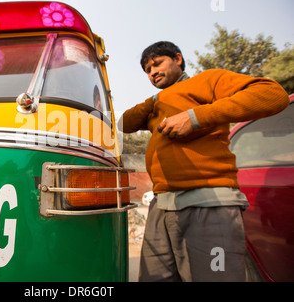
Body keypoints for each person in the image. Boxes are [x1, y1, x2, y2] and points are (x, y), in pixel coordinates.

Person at [119, 41, 290, 282]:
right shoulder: (157, 103)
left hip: (209, 202)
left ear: (178, 59)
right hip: (162, 206)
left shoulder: (208, 80)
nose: (153, 72)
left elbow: (273, 95)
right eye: (147, 70)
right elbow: (124, 124)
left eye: (157, 64)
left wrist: (196, 117)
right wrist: (156, 100)